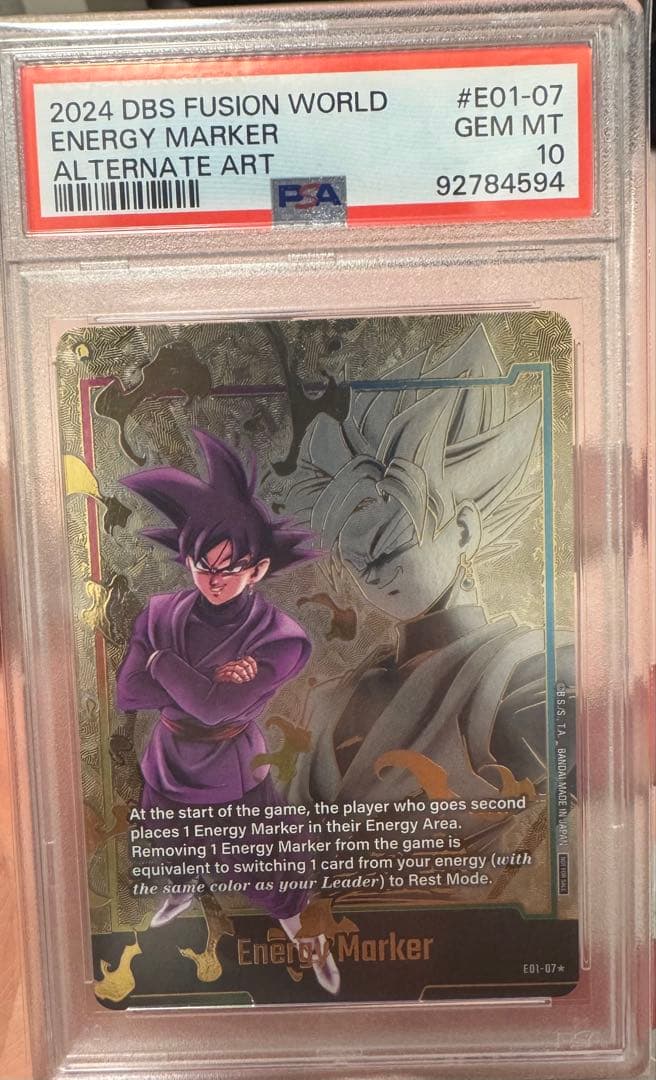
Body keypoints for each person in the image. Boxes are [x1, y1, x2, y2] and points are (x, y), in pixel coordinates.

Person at [285, 324, 574, 825]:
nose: (373, 576)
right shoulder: (339, 695)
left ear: (462, 529)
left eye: (389, 549)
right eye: (355, 562)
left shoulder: (538, 671)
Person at [116, 430, 339, 994]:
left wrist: (164, 665)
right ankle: (182, 889)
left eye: (230, 567)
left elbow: (219, 710)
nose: (214, 580)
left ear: (257, 569)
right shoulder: (160, 613)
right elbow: (129, 692)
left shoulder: (281, 636)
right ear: (188, 559)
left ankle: (310, 944)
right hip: (167, 762)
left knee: (274, 874)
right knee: (170, 850)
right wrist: (187, 674)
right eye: (202, 565)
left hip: (234, 771)